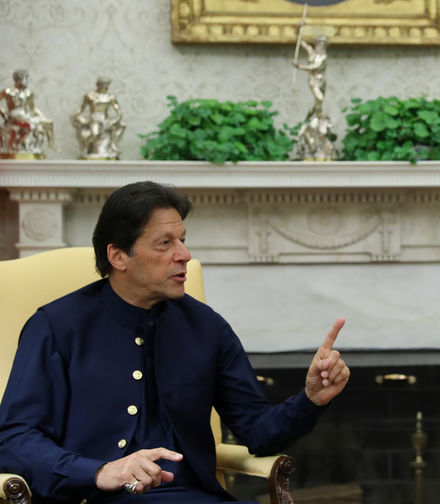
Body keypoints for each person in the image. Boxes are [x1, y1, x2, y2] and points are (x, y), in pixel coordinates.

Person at [0, 181, 351, 503]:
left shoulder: (206, 326)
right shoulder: (56, 327)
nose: (183, 254)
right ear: (118, 256)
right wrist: (99, 471)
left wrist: (310, 399)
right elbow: (14, 439)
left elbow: (257, 431)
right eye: (164, 243)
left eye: (182, 239)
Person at [0, 69, 54, 157]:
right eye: (26, 79)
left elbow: (33, 108)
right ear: (19, 79)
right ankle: (16, 143)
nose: (27, 81)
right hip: (14, 116)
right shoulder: (8, 91)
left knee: (48, 123)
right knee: (31, 125)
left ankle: (51, 144)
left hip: (26, 116)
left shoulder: (28, 93)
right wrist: (4, 114)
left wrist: (43, 117)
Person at [71, 76, 126, 160]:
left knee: (122, 125)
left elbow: (119, 111)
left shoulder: (110, 97)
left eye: (106, 85)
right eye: (103, 84)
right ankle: (87, 147)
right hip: (95, 119)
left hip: (105, 119)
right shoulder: (90, 95)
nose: (105, 87)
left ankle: (113, 144)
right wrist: (75, 115)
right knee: (95, 134)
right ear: (98, 85)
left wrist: (115, 119)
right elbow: (81, 108)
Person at [293, 35, 328, 120]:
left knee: (318, 102)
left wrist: (299, 66)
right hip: (313, 80)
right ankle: (319, 116)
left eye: (323, 43)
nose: (321, 45)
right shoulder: (312, 52)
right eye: (319, 43)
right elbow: (303, 44)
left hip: (322, 81)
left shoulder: (323, 57)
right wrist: (299, 31)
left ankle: (311, 116)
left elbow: (315, 66)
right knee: (320, 98)